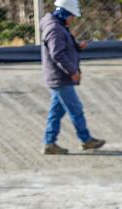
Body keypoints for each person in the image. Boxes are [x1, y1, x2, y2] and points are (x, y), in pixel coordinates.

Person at [40, 0, 105, 155]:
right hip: (60, 77)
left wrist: (76, 46)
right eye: (72, 16)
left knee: (56, 112)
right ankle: (86, 140)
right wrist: (73, 71)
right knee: (76, 109)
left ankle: (49, 143)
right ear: (63, 13)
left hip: (57, 76)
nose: (73, 19)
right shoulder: (55, 28)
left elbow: (60, 46)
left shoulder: (58, 24)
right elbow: (58, 54)